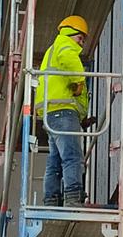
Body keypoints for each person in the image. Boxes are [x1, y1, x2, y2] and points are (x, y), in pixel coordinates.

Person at [34, 15, 90, 207]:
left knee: (55, 160)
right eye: (80, 37)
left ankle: (51, 199)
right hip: (62, 111)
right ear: (70, 32)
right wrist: (79, 80)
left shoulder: (54, 49)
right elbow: (69, 60)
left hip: (51, 114)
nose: (81, 43)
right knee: (72, 156)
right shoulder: (65, 46)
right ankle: (73, 196)